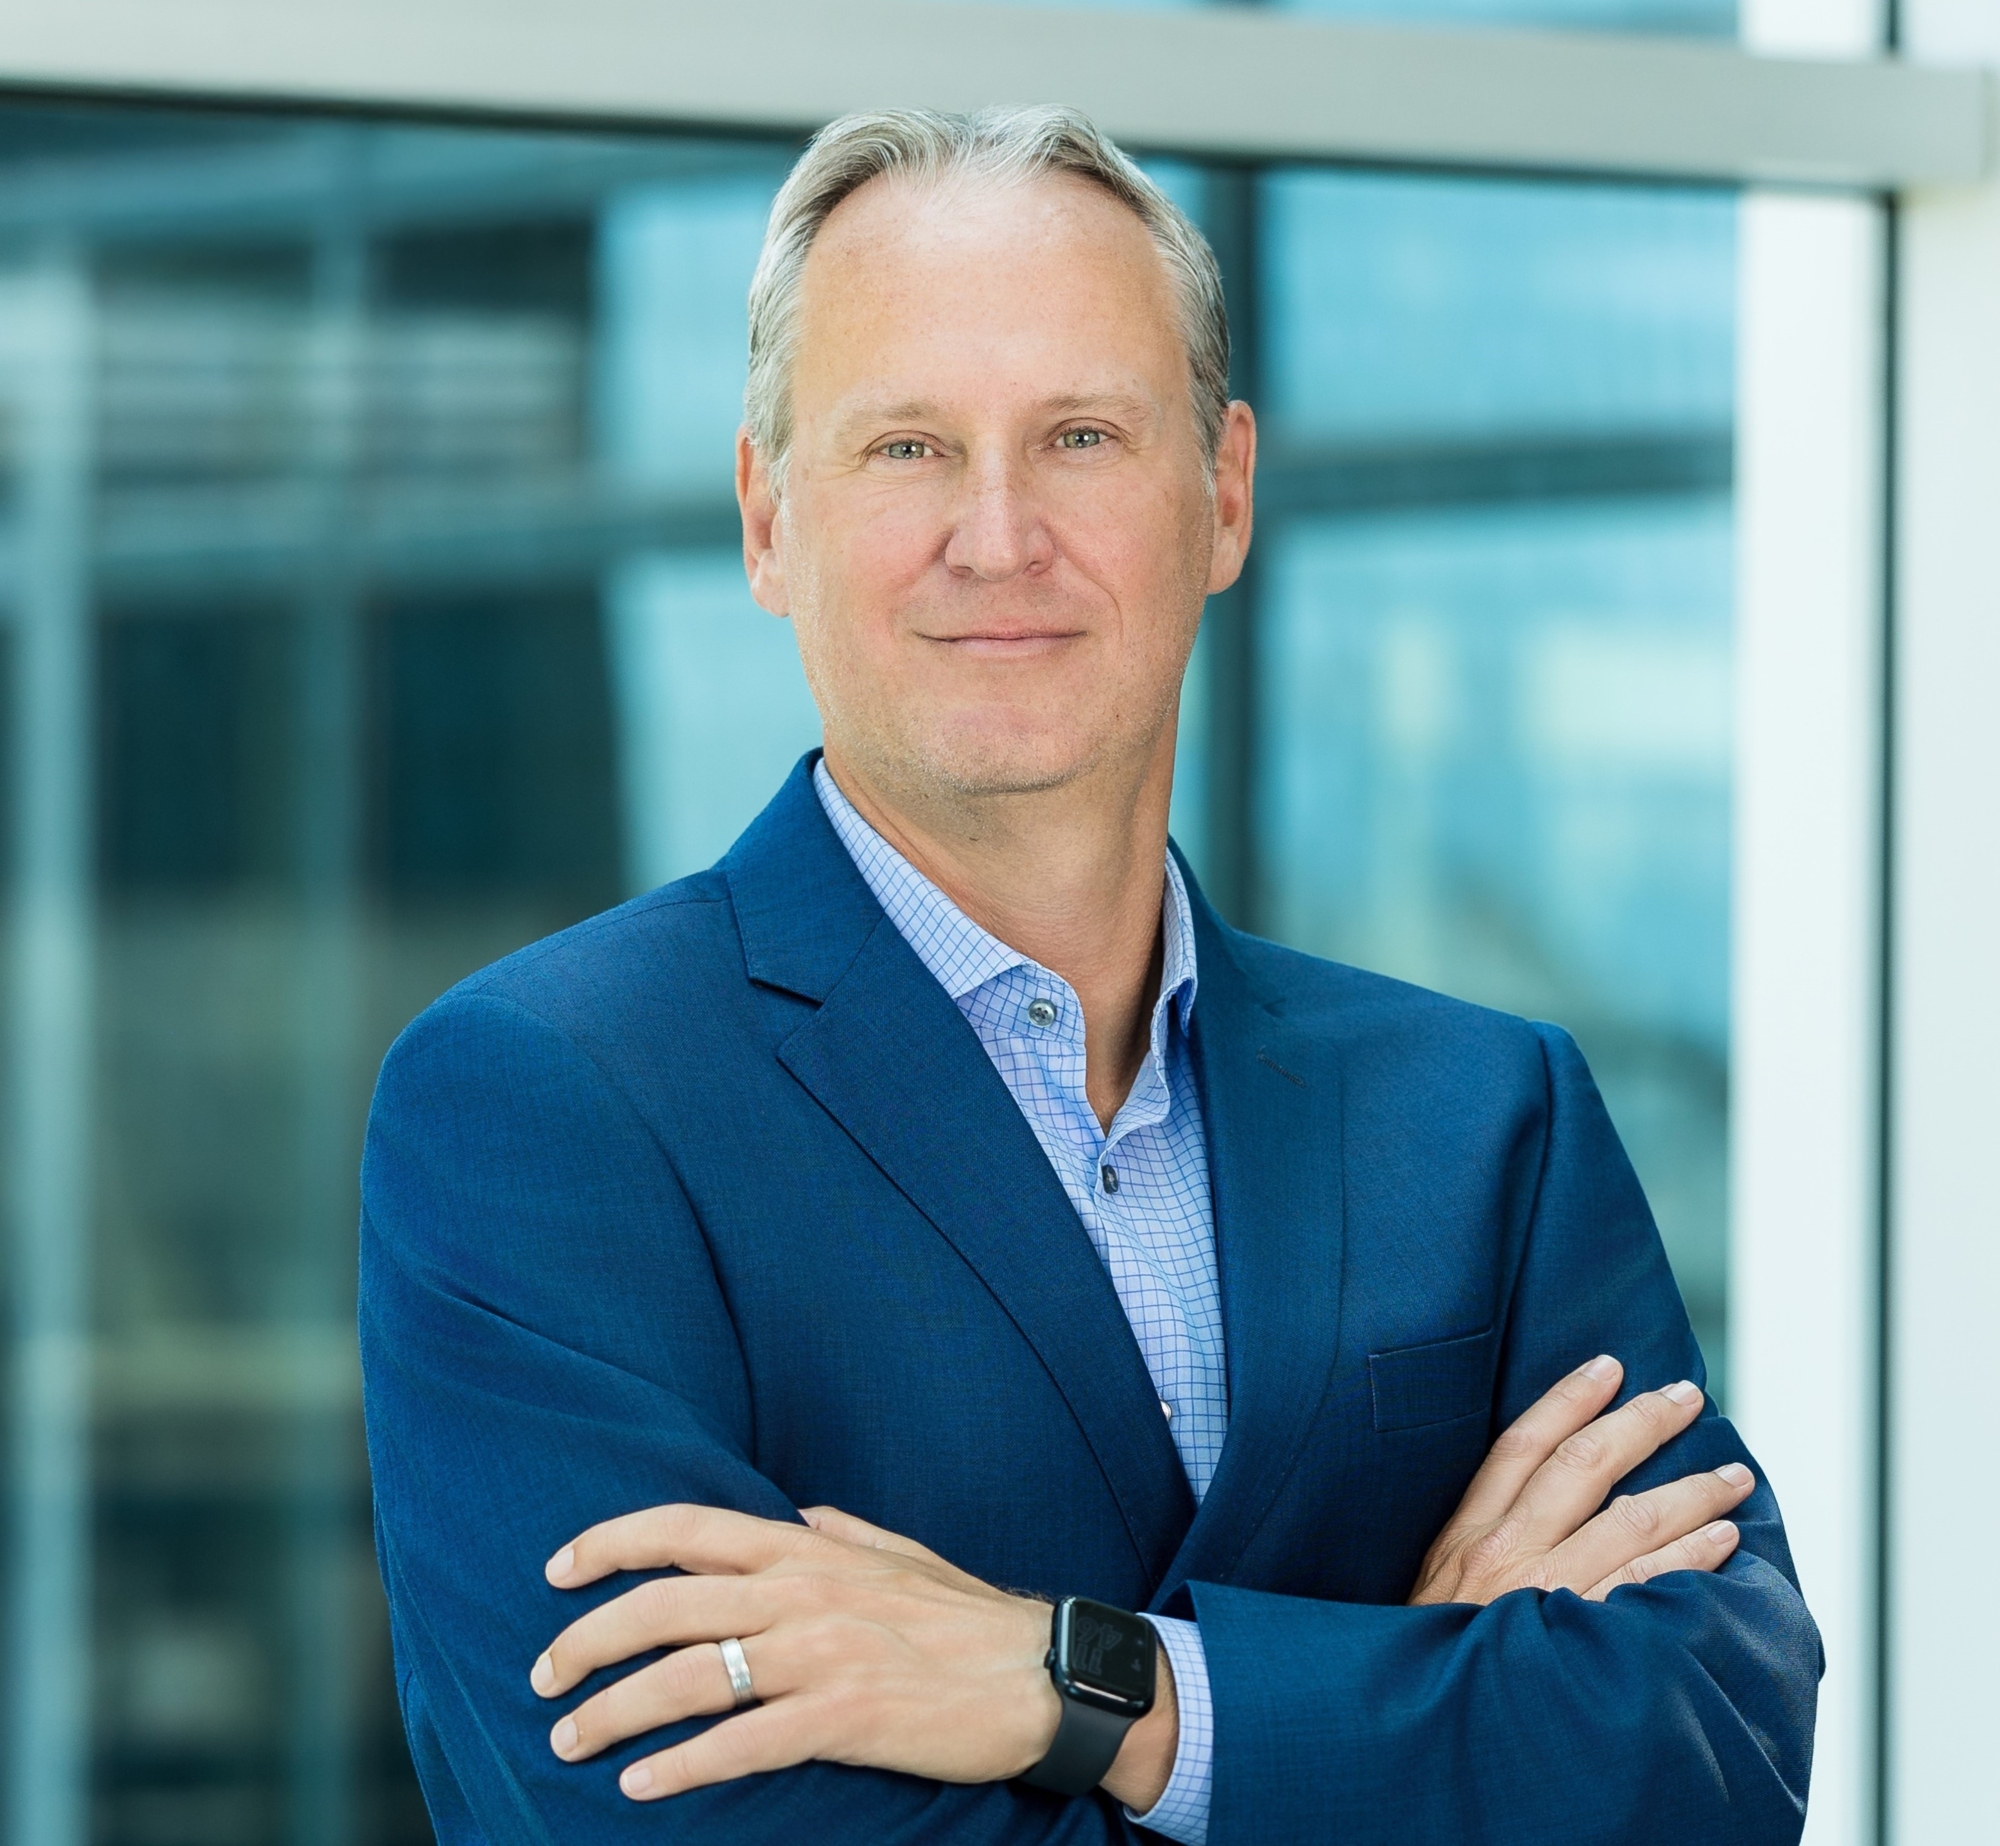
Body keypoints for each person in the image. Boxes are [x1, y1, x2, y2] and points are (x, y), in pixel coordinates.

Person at [359, 107, 1818, 1845]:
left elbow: (1711, 1755)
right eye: (907, 445)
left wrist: (1091, 1688)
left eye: (1081, 435)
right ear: (766, 518)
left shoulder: (1486, 1120)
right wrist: (1413, 1697)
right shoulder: (544, 1105)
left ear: (1224, 493)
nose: (998, 534)